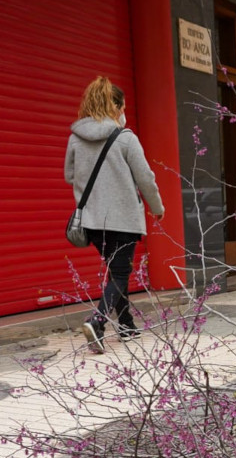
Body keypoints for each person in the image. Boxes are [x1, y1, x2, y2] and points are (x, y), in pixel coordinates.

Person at [65, 77, 164, 351]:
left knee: (116, 270)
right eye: (123, 108)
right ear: (117, 106)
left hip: (93, 222)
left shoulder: (76, 138)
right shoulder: (125, 138)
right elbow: (145, 178)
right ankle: (97, 323)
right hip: (124, 220)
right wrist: (157, 208)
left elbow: (69, 176)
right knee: (120, 274)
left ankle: (127, 325)